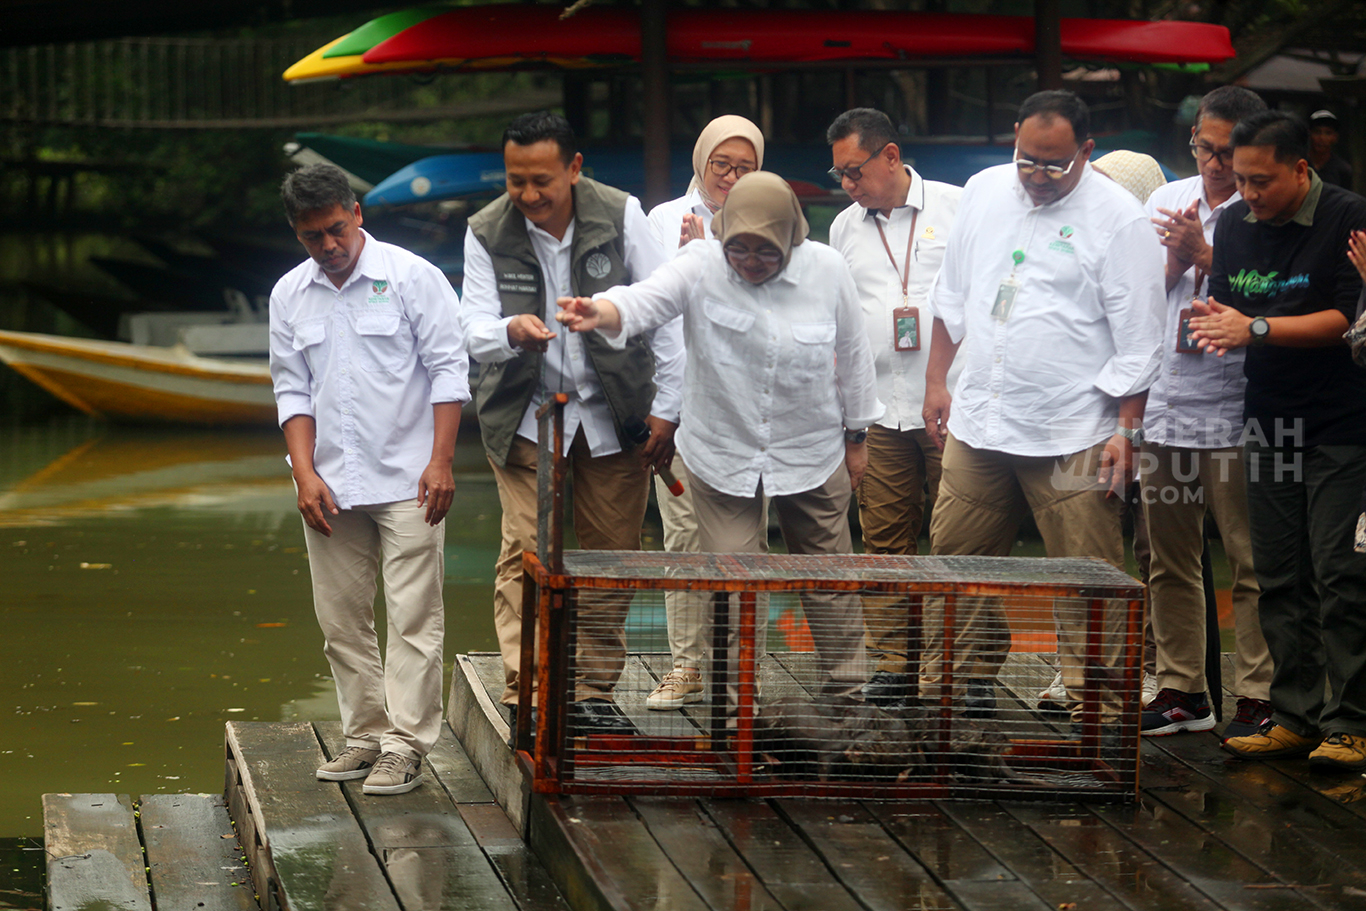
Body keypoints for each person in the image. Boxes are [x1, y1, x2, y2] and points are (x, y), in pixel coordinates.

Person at [557, 171, 884, 702]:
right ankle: (736, 710)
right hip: (722, 450)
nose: (750, 262)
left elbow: (853, 356)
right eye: (739, 249)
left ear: (791, 240)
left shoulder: (828, 270)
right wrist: (600, 311)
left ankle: (848, 694)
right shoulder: (701, 263)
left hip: (811, 447)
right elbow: (644, 300)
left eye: (765, 252)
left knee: (829, 579)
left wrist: (857, 436)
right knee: (733, 586)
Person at [921, 90, 1165, 726]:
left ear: (1086, 151)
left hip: (1074, 426)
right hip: (981, 413)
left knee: (1089, 575)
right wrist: (937, 383)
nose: (1038, 177)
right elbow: (950, 297)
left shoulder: (1120, 218)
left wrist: (1125, 432)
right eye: (1028, 160)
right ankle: (958, 684)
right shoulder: (982, 190)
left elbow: (1141, 341)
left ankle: (1103, 705)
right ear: (1014, 140)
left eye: (1055, 165)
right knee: (954, 555)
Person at [461, 111, 680, 734]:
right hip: (526, 416)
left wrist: (668, 408)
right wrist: (508, 330)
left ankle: (588, 694)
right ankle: (528, 692)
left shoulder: (621, 214)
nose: (528, 195)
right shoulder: (486, 230)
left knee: (612, 554)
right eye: (516, 180)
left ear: (575, 170)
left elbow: (666, 310)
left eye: (542, 181)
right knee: (527, 552)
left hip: (616, 415)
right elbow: (468, 325)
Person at [268, 163, 469, 795]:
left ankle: (406, 745)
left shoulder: (413, 277)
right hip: (329, 483)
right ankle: (364, 736)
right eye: (311, 237)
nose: (327, 246)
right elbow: (290, 389)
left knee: (414, 616)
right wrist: (303, 473)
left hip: (411, 478)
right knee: (341, 619)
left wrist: (441, 460)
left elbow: (447, 370)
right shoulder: (289, 294)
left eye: (334, 229)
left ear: (356, 214)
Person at [1192, 110, 1366, 771]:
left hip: (1343, 425)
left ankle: (1352, 721)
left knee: (1342, 573)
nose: (1249, 195)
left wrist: (1256, 327)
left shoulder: (1348, 216)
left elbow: (1348, 320)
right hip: (1267, 419)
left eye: (1261, 181)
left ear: (1301, 168)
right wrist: (1217, 324)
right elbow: (1227, 302)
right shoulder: (1235, 221)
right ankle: (1294, 715)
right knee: (1277, 574)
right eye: (1239, 180)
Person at [1137, 87, 1273, 741]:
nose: (1216, 164)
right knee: (1169, 557)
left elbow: (1278, 292)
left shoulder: (1265, 203)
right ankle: (1183, 689)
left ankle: (1257, 693)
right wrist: (1169, 261)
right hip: (1166, 402)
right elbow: (1132, 295)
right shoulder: (1164, 199)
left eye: (1227, 151)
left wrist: (1208, 257)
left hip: (1238, 406)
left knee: (1249, 559)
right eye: (1205, 148)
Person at [825, 107, 961, 705]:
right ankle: (893, 664)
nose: (849, 185)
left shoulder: (958, 209)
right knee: (883, 540)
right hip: (879, 409)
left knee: (959, 542)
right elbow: (841, 323)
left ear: (890, 155)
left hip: (952, 405)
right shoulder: (844, 228)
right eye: (840, 176)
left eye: (855, 170)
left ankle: (965, 669)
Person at [643, 114, 764, 711]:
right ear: (702, 162)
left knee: (746, 540)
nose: (732, 176)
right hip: (681, 405)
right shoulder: (662, 220)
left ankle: (745, 672)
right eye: (723, 164)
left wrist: (717, 253)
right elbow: (648, 309)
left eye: (745, 167)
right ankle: (686, 666)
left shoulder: (773, 219)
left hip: (749, 408)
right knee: (684, 536)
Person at [1309, 110, 1353, 190]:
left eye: (1328, 133)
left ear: (1335, 137)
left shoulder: (1343, 170)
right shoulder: (1298, 164)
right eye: (1317, 132)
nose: (1322, 138)